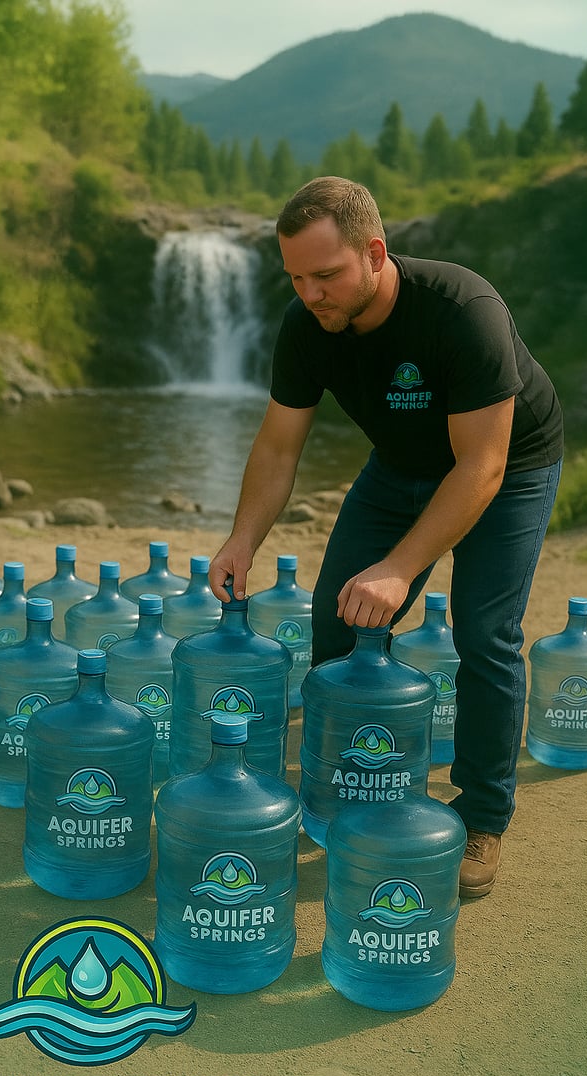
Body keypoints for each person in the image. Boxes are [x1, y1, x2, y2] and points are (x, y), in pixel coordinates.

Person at [210, 176, 563, 899]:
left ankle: (484, 815)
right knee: (338, 619)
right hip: (399, 465)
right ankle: (352, 786)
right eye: (297, 278)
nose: (311, 295)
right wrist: (241, 538)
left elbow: (482, 466)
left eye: (327, 275)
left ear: (375, 252)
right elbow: (279, 448)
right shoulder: (305, 325)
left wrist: (401, 568)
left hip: (506, 466)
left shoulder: (462, 311)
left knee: (486, 632)